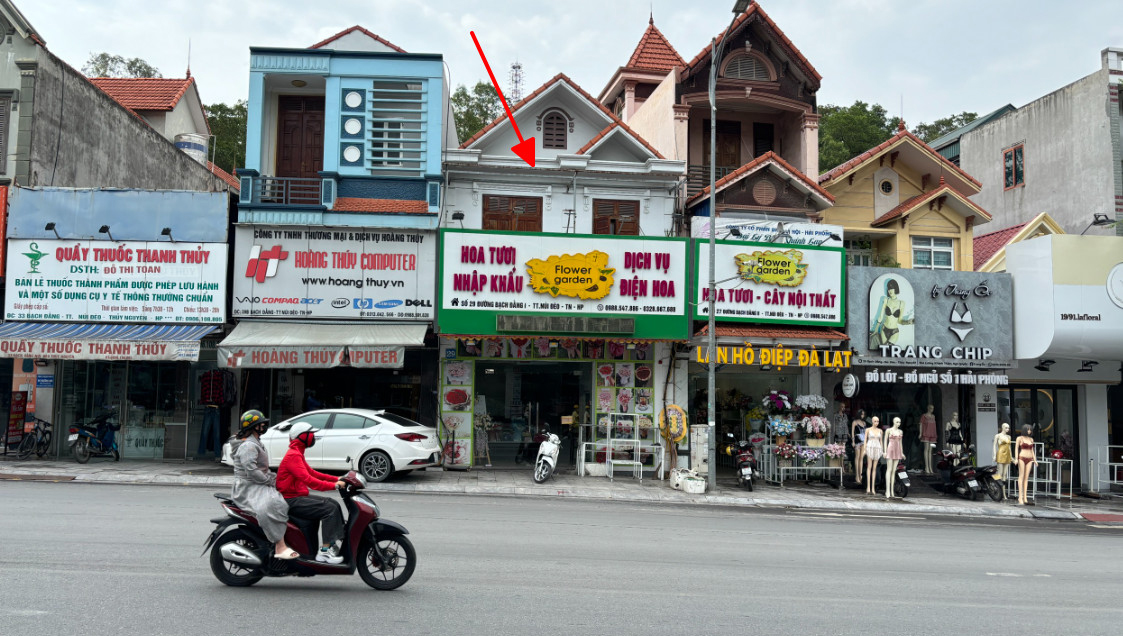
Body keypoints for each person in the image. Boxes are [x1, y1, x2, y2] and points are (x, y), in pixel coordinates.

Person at [230, 409, 297, 559]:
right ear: (253, 427)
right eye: (261, 424)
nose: (263, 427)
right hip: (249, 488)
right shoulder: (248, 446)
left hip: (257, 483)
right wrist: (269, 481)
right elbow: (252, 471)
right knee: (274, 504)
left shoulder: (256, 443)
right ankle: (280, 545)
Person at [276, 422, 347, 564]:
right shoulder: (293, 456)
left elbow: (312, 473)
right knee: (329, 508)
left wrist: (337, 478)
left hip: (296, 497)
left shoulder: (297, 454)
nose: (313, 437)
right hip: (290, 500)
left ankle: (331, 544)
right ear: (303, 437)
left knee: (333, 503)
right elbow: (310, 480)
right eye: (311, 434)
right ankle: (324, 552)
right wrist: (334, 486)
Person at [1015, 425, 1037, 505]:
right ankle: (1020, 497)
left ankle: (1025, 497)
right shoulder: (1019, 438)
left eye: (1030, 430)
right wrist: (1016, 459)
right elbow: (1016, 448)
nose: (1029, 431)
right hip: (1022, 457)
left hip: (1030, 459)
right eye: (1028, 430)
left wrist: (1035, 460)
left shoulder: (1031, 439)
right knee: (1021, 476)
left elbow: (1032, 450)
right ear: (1024, 430)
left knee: (1026, 478)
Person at [884, 417, 906, 499]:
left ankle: (892, 491)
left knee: (894, 471)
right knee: (889, 470)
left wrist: (902, 452)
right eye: (897, 422)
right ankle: (887, 490)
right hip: (890, 449)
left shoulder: (900, 431)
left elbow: (900, 443)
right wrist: (885, 451)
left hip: (897, 450)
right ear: (893, 422)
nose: (898, 424)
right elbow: (885, 441)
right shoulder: (889, 430)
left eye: (899, 422)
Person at [863, 416, 883, 495]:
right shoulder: (867, 430)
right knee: (869, 467)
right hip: (869, 447)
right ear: (872, 421)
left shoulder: (880, 431)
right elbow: (865, 440)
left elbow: (881, 441)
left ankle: (873, 488)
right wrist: (864, 450)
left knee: (875, 468)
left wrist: (882, 450)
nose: (876, 423)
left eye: (877, 421)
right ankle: (868, 487)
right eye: (875, 421)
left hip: (877, 448)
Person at [994, 423, 1013, 500]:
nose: (1007, 429)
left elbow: (1009, 448)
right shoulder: (998, 436)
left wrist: (1011, 457)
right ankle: (998, 491)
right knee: (1000, 474)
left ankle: (1004, 494)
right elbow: (994, 446)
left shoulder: (1009, 436)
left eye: (1008, 428)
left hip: (1007, 455)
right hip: (1000, 454)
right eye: (1006, 428)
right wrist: (994, 455)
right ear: (1002, 428)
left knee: (1005, 474)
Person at [919, 404, 937, 473]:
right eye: (931, 408)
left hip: (932, 434)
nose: (932, 409)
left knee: (930, 451)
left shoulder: (933, 416)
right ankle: (927, 467)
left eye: (933, 408)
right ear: (928, 408)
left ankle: (930, 467)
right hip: (926, 434)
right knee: (926, 450)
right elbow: (921, 424)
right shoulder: (924, 416)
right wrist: (920, 433)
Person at [851, 409, 867, 482]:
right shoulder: (855, 422)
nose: (862, 415)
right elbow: (852, 432)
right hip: (857, 440)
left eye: (863, 414)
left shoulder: (864, 423)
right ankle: (857, 476)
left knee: (861, 458)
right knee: (857, 457)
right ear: (858, 414)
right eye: (861, 414)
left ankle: (861, 476)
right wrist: (853, 441)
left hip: (863, 440)